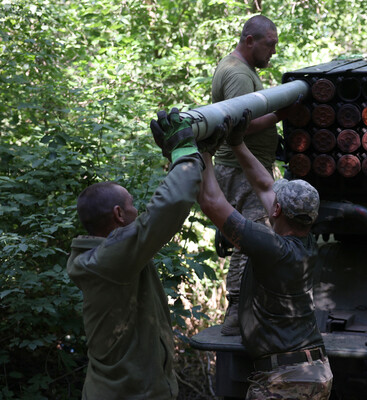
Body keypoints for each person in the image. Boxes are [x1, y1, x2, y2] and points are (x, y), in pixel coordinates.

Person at [66, 109, 210, 399]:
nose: (137, 210)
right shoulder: (110, 259)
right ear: (119, 214)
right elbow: (167, 207)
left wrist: (199, 151)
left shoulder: (110, 257)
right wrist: (183, 152)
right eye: (132, 204)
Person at [197, 113, 333, 399]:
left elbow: (211, 202)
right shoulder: (306, 241)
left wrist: (203, 153)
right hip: (313, 372)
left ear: (277, 211)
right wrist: (237, 144)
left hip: (286, 381)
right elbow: (263, 185)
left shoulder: (273, 249)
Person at [211, 14, 292, 335]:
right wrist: (281, 113)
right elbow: (237, 124)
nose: (273, 51)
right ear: (250, 41)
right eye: (269, 45)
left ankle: (249, 309)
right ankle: (236, 314)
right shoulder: (238, 75)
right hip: (239, 171)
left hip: (244, 169)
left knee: (253, 238)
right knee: (252, 239)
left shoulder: (241, 70)